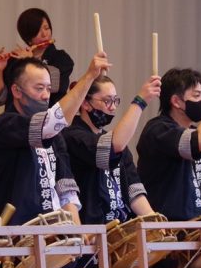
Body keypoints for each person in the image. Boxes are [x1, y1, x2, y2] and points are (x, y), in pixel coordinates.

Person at [0, 51, 110, 225]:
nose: (46, 95)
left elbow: (65, 188)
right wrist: (89, 77)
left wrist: (77, 230)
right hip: (15, 236)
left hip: (53, 232)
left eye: (49, 89)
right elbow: (49, 124)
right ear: (16, 91)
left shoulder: (56, 136)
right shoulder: (3, 126)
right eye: (39, 88)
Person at [136, 68, 201, 220]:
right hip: (165, 228)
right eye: (196, 95)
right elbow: (200, 141)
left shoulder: (199, 134)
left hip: (195, 227)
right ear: (176, 101)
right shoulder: (158, 129)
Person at [62, 74, 161, 224]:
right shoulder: (72, 135)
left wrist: (154, 221)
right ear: (85, 103)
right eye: (107, 101)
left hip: (121, 226)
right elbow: (111, 147)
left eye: (115, 101)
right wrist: (140, 101)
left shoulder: (116, 141)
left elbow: (133, 190)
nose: (113, 107)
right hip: (92, 231)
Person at [0, 8, 74, 110]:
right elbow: (0, 97)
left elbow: (55, 86)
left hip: (48, 117)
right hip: (15, 119)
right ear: (28, 38)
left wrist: (30, 60)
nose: (45, 34)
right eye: (37, 31)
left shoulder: (61, 58)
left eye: (47, 28)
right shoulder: (15, 60)